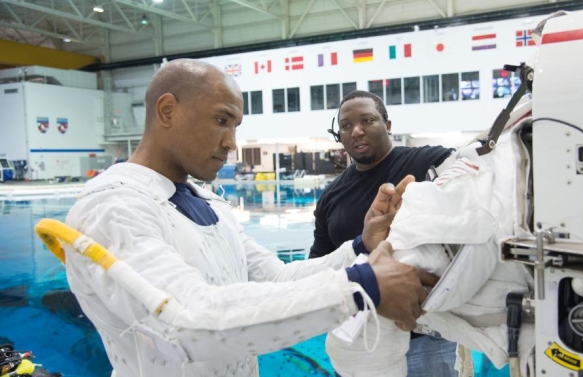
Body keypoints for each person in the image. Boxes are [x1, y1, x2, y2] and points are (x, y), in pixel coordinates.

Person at [63, 59, 437, 377]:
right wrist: (363, 286)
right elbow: (185, 319)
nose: (231, 142)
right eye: (221, 121)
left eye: (235, 126)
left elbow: (279, 278)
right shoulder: (114, 206)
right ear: (167, 111)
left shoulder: (207, 204)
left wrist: (361, 245)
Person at [309, 90, 458, 376]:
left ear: (387, 124)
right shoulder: (331, 196)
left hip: (424, 335)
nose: (357, 131)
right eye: (346, 125)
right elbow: (319, 261)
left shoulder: (426, 161)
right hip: (360, 340)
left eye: (367, 120)